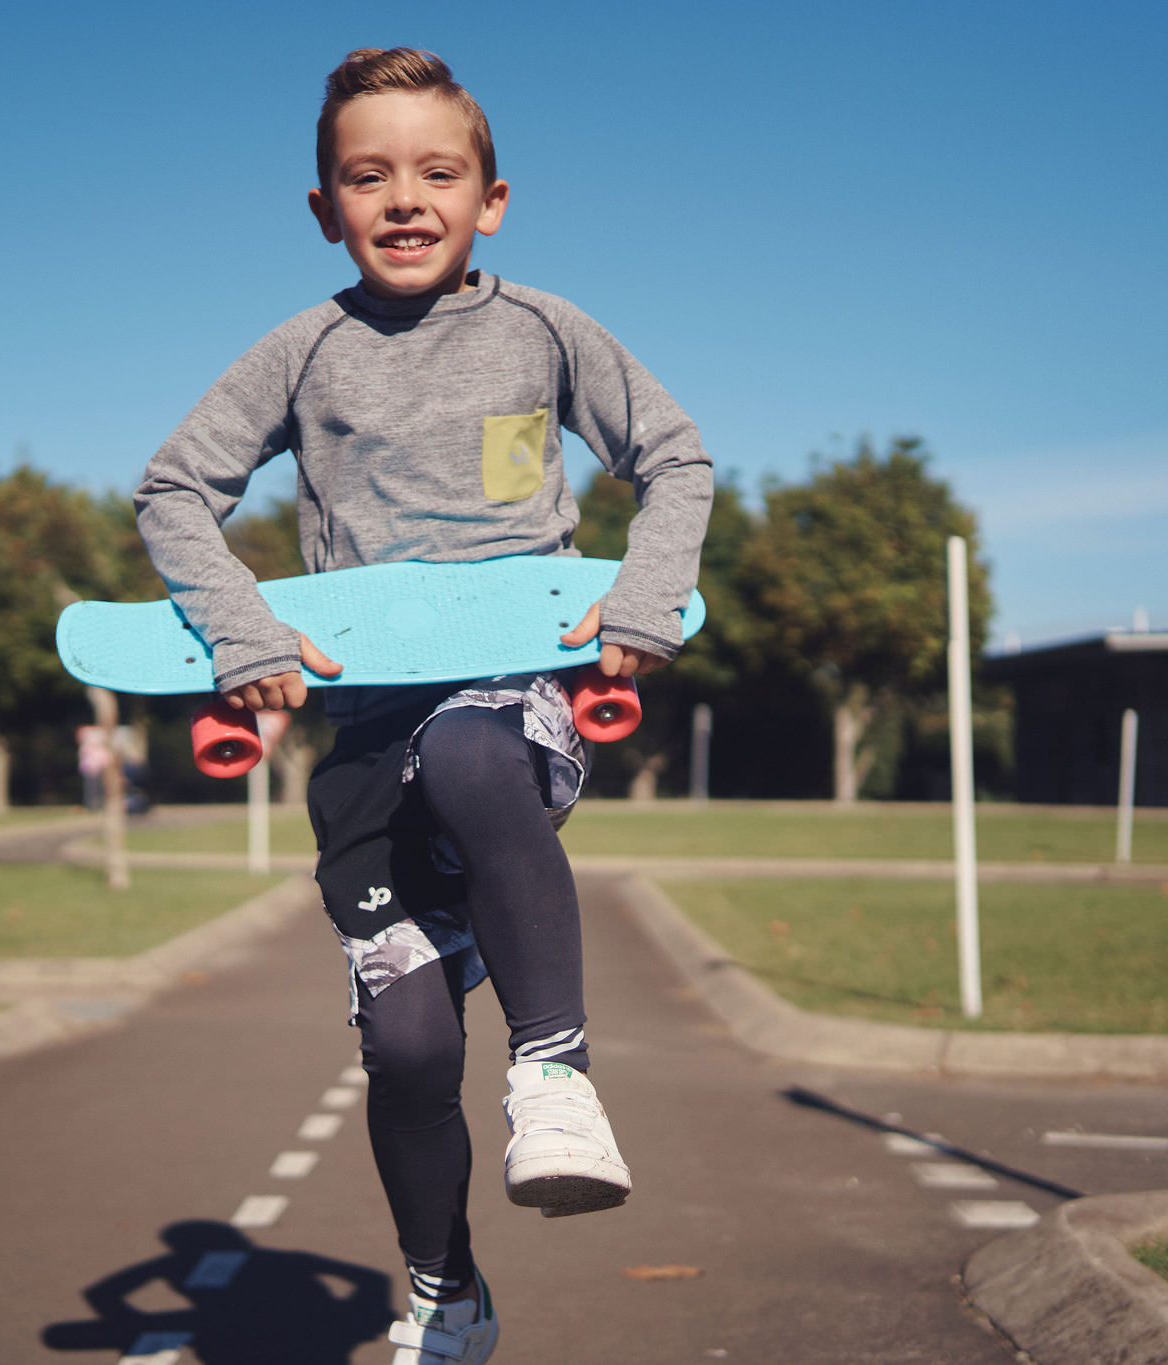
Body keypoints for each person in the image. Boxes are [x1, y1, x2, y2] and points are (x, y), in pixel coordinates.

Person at [134, 47, 713, 1365]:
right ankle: (447, 1292)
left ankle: (554, 1070)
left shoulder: (544, 333)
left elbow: (674, 457)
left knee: (467, 749)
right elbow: (172, 489)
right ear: (324, 208)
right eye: (368, 176)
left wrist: (645, 593)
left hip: (517, 702)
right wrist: (241, 627)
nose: (405, 198)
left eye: (437, 173)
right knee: (404, 1048)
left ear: (489, 200)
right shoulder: (302, 353)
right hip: (362, 746)